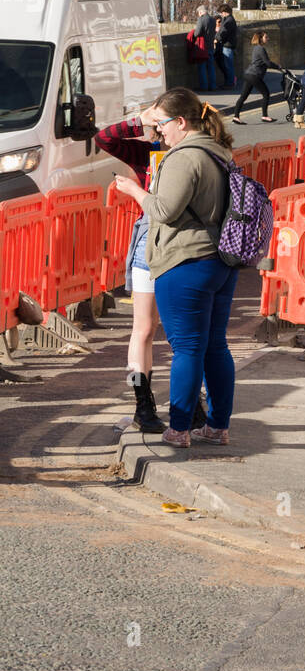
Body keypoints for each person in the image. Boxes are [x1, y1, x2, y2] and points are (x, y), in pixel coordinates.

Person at [114, 90, 238, 449]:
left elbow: (165, 210)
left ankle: (179, 428)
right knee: (215, 347)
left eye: (163, 124)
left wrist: (136, 192)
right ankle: (216, 427)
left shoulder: (183, 157)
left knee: (186, 349)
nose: (159, 132)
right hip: (221, 261)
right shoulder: (219, 150)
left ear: (181, 122)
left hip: (185, 262)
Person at [95, 105, 168, 434]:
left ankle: (192, 404)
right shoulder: (147, 152)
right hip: (148, 244)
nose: (162, 128)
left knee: (186, 335)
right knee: (145, 329)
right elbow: (104, 138)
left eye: (166, 119)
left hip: (188, 248)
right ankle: (142, 405)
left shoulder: (199, 151)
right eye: (159, 120)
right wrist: (140, 119)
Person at [231, 30, 281, 124]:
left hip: (248, 74)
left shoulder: (256, 48)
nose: (268, 38)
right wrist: (278, 67)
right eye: (266, 37)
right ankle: (265, 116)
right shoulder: (261, 49)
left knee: (243, 96)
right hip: (254, 75)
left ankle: (236, 117)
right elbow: (267, 63)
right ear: (261, 39)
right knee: (266, 94)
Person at [193, 2, 217, 93]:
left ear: (200, 12)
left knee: (202, 67)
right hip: (210, 45)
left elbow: (197, 33)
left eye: (198, 13)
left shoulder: (201, 20)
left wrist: (195, 32)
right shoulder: (212, 19)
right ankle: (213, 86)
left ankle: (203, 86)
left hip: (202, 47)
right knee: (211, 67)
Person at [216, 4, 238, 88]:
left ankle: (230, 83)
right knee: (228, 65)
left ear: (225, 12)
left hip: (227, 45)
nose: (221, 14)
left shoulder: (229, 21)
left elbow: (223, 32)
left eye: (221, 12)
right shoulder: (228, 19)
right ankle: (229, 82)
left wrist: (216, 38)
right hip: (228, 45)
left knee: (228, 66)